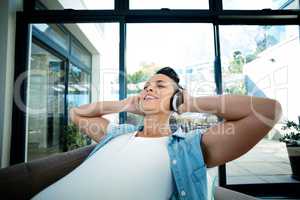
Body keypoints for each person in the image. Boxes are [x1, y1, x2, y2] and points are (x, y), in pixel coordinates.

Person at [32, 67, 282, 200]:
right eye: (146, 86)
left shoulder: (189, 148)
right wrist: (124, 105)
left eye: (160, 85)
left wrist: (187, 103)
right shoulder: (118, 134)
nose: (149, 87)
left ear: (176, 95)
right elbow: (77, 113)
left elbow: (268, 111)